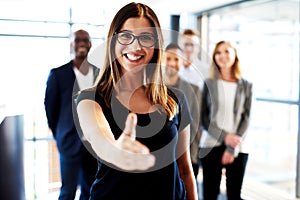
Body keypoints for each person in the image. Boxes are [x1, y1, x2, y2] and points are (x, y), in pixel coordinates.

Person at [75, 2, 198, 200]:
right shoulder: (90, 99)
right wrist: (115, 152)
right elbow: (99, 138)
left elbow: (184, 170)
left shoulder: (175, 100)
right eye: (125, 36)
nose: (136, 45)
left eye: (146, 37)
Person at [44, 29, 99, 200]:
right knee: (67, 191)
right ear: (71, 45)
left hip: (94, 144)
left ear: (90, 44)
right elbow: (50, 109)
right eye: (77, 40)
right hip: (68, 142)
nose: (81, 43)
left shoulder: (100, 74)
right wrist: (59, 134)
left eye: (85, 40)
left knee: (90, 191)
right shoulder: (58, 74)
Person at [199, 40, 253, 200]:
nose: (222, 56)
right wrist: (225, 137)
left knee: (234, 195)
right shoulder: (209, 83)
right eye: (218, 52)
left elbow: (246, 117)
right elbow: (204, 117)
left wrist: (231, 147)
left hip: (238, 147)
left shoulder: (246, 85)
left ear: (235, 55)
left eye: (226, 51)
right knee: (210, 194)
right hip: (211, 144)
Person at [163, 43, 202, 180]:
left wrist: (193, 157)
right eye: (168, 59)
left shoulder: (194, 90)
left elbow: (196, 126)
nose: (172, 63)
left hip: (187, 157)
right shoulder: (151, 88)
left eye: (176, 59)